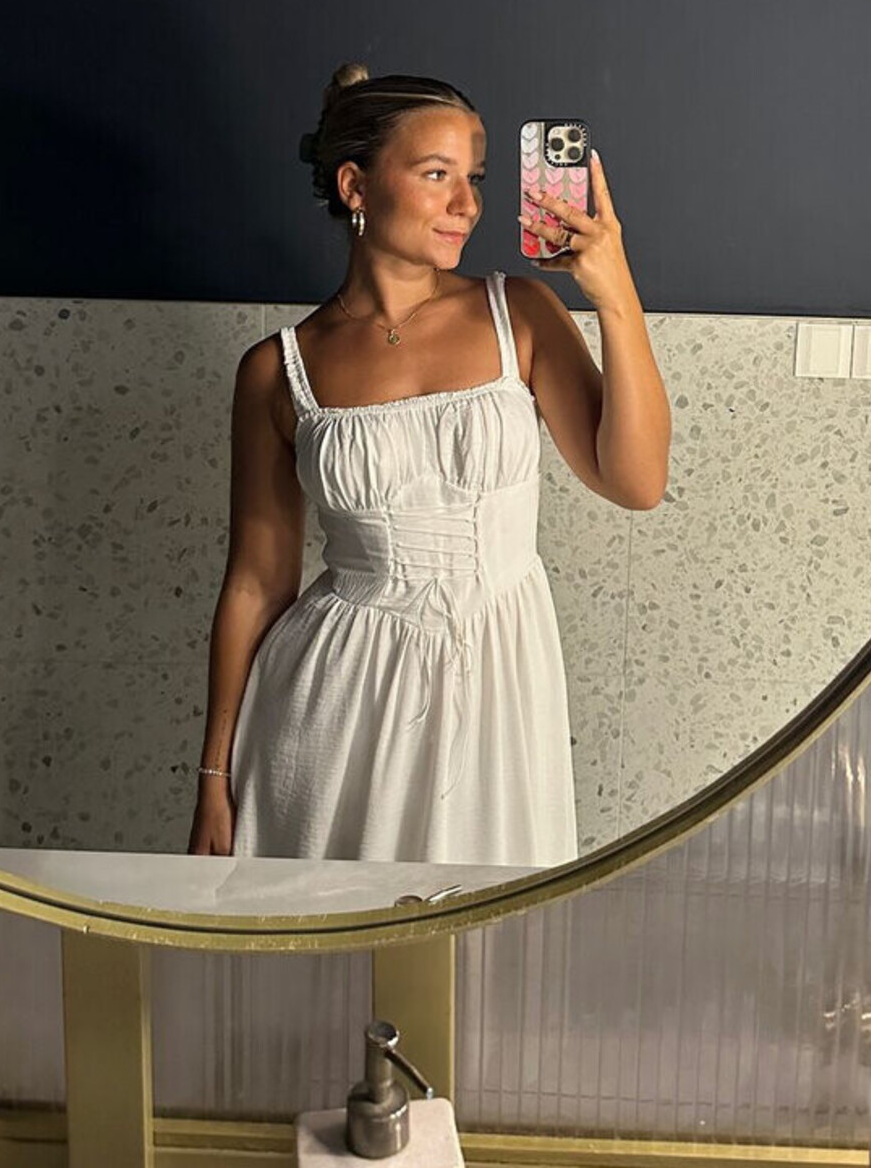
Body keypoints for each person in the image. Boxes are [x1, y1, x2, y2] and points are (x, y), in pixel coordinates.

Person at [188, 64, 670, 865]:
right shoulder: (278, 369)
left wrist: (615, 295)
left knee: (488, 922)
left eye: (473, 178)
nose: (467, 205)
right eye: (437, 174)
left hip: (500, 689)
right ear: (356, 185)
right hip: (335, 702)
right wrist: (214, 774)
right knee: (333, 924)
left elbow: (638, 482)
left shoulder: (519, 312)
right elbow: (255, 584)